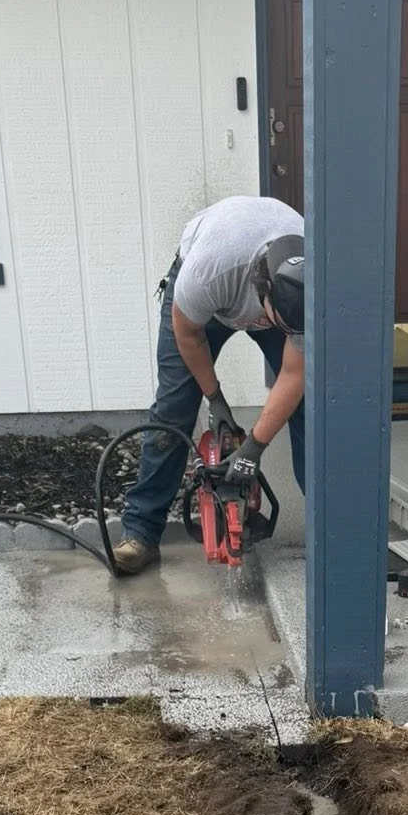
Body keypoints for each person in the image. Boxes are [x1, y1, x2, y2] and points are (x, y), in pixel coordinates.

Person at [111, 196, 305, 575]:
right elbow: (189, 336)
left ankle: (331, 527)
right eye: (275, 321)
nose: (281, 333)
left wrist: (253, 448)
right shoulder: (209, 274)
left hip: (275, 291)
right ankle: (141, 533)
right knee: (173, 408)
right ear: (261, 291)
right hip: (208, 298)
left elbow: (294, 374)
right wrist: (214, 399)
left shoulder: (309, 289)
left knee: (312, 406)